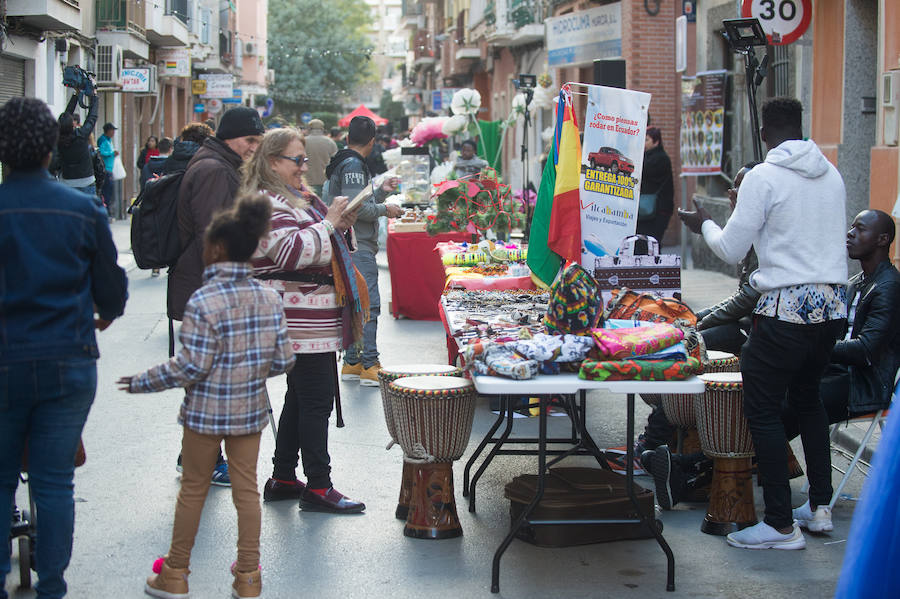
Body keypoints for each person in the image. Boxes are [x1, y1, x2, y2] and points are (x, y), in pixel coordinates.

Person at [679, 97, 848, 550]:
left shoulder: (763, 177)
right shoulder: (830, 173)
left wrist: (705, 225)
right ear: (800, 125)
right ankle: (819, 507)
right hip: (831, 308)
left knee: (763, 410)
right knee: (810, 401)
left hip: (785, 309)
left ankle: (778, 524)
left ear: (764, 134)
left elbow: (732, 248)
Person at [119, 194, 294, 599]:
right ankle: (249, 577)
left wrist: (143, 381)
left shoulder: (203, 301)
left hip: (203, 414)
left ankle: (175, 573)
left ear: (215, 249)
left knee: (194, 488)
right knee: (246, 490)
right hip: (249, 411)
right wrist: (251, 371)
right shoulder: (269, 298)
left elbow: (190, 367)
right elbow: (284, 360)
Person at [0, 97, 128, 599]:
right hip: (67, 361)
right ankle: (51, 585)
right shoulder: (81, 208)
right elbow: (112, 290)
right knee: (54, 482)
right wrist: (100, 315)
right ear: (53, 148)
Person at [243, 127, 367, 512]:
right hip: (296, 316)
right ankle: (318, 485)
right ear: (271, 162)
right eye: (297, 160)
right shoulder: (267, 203)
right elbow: (292, 253)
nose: (303, 167)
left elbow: (320, 243)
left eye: (304, 160)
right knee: (316, 398)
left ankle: (282, 477)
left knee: (300, 396)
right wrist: (330, 223)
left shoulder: (291, 198)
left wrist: (339, 224)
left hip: (307, 315)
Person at [167, 105, 265, 485]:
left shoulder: (222, 165)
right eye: (249, 140)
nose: (254, 147)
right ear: (229, 137)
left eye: (258, 140)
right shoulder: (214, 170)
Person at [324, 116, 401, 385]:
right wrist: (386, 209)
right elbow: (354, 211)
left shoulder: (343, 160)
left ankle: (352, 362)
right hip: (357, 245)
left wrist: (380, 192)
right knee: (369, 305)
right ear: (373, 141)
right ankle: (370, 364)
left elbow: (357, 202)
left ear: (347, 138)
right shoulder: (354, 165)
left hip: (346, 243)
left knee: (355, 302)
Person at [53, 87, 100, 201]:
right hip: (86, 182)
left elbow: (65, 118)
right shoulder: (81, 135)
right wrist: (94, 97)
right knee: (88, 216)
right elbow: (91, 118)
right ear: (73, 125)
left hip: (67, 183)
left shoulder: (57, 139)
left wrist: (76, 96)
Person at [636, 127, 675, 245]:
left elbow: (643, 171)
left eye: (647, 140)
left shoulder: (660, 159)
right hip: (649, 209)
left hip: (658, 210)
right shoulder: (648, 157)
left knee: (650, 244)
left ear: (656, 142)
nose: (644, 144)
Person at [304, 118, 338, 197]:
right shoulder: (330, 142)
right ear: (322, 129)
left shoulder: (303, 142)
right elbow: (335, 163)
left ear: (309, 128)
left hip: (308, 182)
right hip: (326, 182)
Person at [98, 122, 118, 216]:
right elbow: (101, 153)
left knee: (109, 192)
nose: (113, 132)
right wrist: (112, 154)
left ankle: (107, 211)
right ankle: (105, 212)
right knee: (106, 192)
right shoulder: (103, 140)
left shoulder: (109, 140)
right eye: (112, 130)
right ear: (108, 131)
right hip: (105, 169)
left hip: (109, 168)